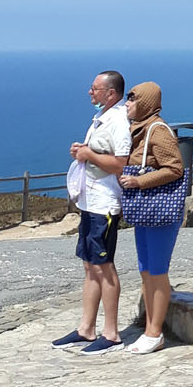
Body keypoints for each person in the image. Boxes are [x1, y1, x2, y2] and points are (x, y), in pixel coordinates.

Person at [54, 70, 131, 354]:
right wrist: (84, 151)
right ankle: (86, 329)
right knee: (89, 265)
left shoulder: (119, 121)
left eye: (95, 88)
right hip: (90, 202)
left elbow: (121, 163)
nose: (90, 92)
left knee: (103, 265)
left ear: (111, 93)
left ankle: (111, 333)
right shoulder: (102, 118)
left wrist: (89, 155)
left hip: (105, 204)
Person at [118, 82, 186, 356]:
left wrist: (139, 181)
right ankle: (150, 327)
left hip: (159, 211)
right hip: (147, 213)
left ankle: (154, 332)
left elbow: (175, 168)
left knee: (157, 271)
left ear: (145, 102)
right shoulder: (141, 129)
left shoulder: (158, 131)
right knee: (146, 270)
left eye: (132, 99)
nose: (127, 104)